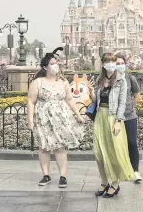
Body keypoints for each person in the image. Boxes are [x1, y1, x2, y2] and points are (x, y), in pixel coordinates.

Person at [27, 47, 85, 189]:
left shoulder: (63, 82)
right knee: (44, 147)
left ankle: (63, 176)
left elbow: (70, 99)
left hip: (60, 117)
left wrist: (78, 114)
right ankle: (46, 175)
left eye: (56, 63)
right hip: (43, 118)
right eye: (52, 63)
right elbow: (30, 101)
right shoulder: (38, 83)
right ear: (45, 67)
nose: (55, 66)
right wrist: (30, 120)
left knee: (60, 147)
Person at [87, 52, 135, 198]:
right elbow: (97, 99)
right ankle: (104, 181)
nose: (111, 64)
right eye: (108, 61)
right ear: (102, 64)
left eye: (113, 61)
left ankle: (114, 183)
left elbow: (122, 103)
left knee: (113, 151)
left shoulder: (121, 80)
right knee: (99, 152)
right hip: (100, 116)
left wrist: (118, 121)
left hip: (113, 117)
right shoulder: (99, 79)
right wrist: (90, 92)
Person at [116, 54, 142, 183]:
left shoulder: (130, 78)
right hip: (115, 117)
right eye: (117, 63)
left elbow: (137, 94)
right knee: (117, 144)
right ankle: (119, 170)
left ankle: (135, 170)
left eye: (122, 63)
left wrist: (132, 106)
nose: (120, 65)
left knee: (132, 143)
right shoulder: (111, 79)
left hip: (129, 116)